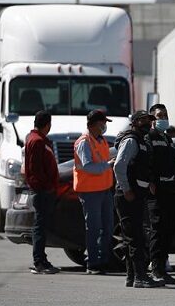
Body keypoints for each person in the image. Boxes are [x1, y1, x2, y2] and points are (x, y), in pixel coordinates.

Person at [113, 110, 164, 288]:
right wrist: (126, 190)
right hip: (128, 195)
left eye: (149, 121)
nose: (147, 124)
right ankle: (140, 277)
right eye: (143, 120)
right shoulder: (131, 140)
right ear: (134, 123)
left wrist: (148, 182)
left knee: (132, 237)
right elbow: (119, 166)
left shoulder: (141, 141)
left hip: (136, 194)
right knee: (135, 238)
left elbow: (140, 167)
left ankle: (132, 276)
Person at [73, 109, 115, 275]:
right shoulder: (84, 142)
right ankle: (93, 263)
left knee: (107, 227)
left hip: (104, 189)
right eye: (102, 123)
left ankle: (103, 260)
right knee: (94, 228)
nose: (104, 126)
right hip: (90, 192)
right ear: (92, 125)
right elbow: (87, 166)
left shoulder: (101, 140)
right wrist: (107, 165)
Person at [145, 103, 175, 285]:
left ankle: (163, 267)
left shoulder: (167, 138)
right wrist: (151, 180)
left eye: (165, 115)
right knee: (157, 231)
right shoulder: (149, 137)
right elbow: (146, 161)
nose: (164, 118)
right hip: (157, 192)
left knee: (169, 230)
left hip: (171, 191)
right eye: (160, 115)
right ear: (152, 119)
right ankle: (156, 269)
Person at [24, 110, 60, 275]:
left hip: (42, 189)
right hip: (41, 190)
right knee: (40, 226)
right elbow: (35, 169)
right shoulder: (37, 141)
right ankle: (39, 261)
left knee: (42, 226)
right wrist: (47, 186)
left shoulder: (36, 139)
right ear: (48, 124)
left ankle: (42, 259)